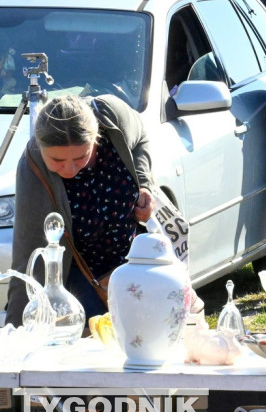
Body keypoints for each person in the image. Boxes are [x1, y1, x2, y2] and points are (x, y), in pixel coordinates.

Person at [7, 95, 155, 324]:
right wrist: (16, 332)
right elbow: (27, 259)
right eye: (57, 160)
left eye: (81, 156)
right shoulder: (33, 168)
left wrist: (144, 183)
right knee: (99, 339)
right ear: (40, 146)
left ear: (96, 137)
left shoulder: (111, 116)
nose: (70, 168)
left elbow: (141, 138)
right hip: (84, 276)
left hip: (135, 259)